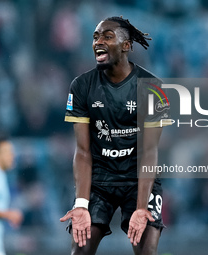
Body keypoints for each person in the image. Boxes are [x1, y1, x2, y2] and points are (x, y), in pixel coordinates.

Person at [60, 16, 171, 255]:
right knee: (79, 250)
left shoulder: (153, 87)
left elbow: (148, 151)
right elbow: (82, 151)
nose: (98, 41)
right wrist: (80, 204)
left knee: (146, 251)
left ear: (126, 45)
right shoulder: (81, 86)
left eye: (107, 36)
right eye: (95, 37)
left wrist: (141, 208)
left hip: (138, 178)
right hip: (100, 180)